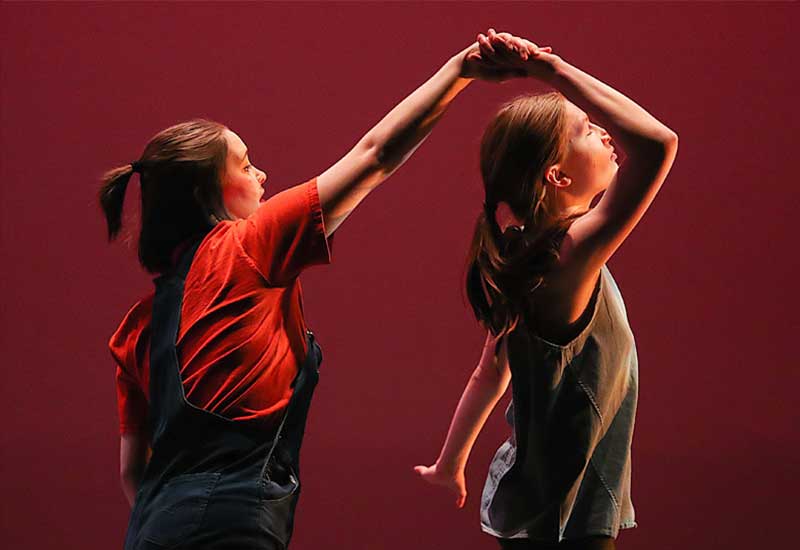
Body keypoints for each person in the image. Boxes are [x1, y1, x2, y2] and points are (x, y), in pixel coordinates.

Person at [100, 30, 541, 550]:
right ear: (209, 192)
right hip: (229, 525)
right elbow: (374, 156)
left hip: (151, 528)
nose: (261, 174)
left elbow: (135, 474)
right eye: (244, 164)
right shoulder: (248, 244)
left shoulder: (133, 329)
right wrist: (459, 71)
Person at [414, 30, 678, 550]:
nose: (605, 134)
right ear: (557, 176)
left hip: (533, 499)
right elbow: (656, 144)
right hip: (565, 509)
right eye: (586, 129)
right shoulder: (568, 256)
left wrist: (451, 463)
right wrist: (550, 71)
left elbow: (489, 372)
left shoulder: (528, 256)